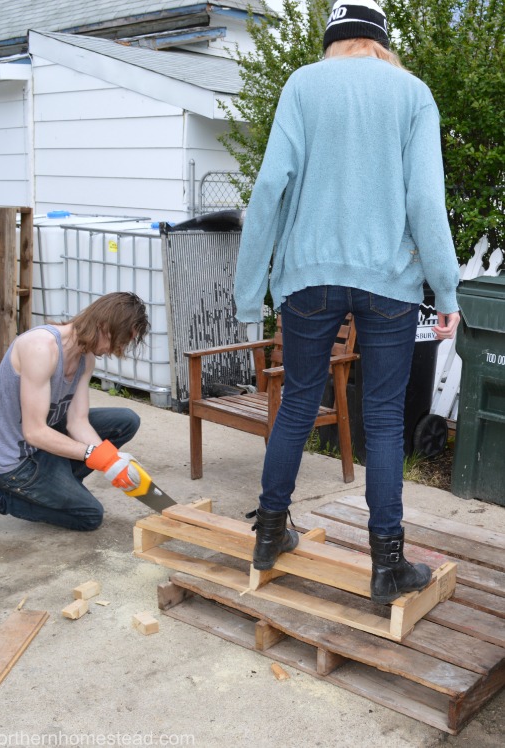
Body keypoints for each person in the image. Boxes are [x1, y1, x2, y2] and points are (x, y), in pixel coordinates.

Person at [234, 0, 461, 604]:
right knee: (384, 416)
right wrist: (447, 285)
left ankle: (269, 536)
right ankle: (387, 566)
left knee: (296, 403)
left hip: (307, 276)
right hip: (390, 279)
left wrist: (249, 292)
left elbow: (270, 187)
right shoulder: (412, 95)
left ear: (332, 38)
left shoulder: (303, 85)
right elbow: (425, 201)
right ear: (381, 41)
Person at [0, 291, 150, 543]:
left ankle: (55, 487)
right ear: (104, 326)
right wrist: (95, 456)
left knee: (126, 420)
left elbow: (76, 422)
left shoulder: (85, 359)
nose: (117, 350)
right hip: (10, 458)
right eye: (120, 341)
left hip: (39, 443)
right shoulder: (41, 348)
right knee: (89, 515)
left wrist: (111, 460)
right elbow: (34, 432)